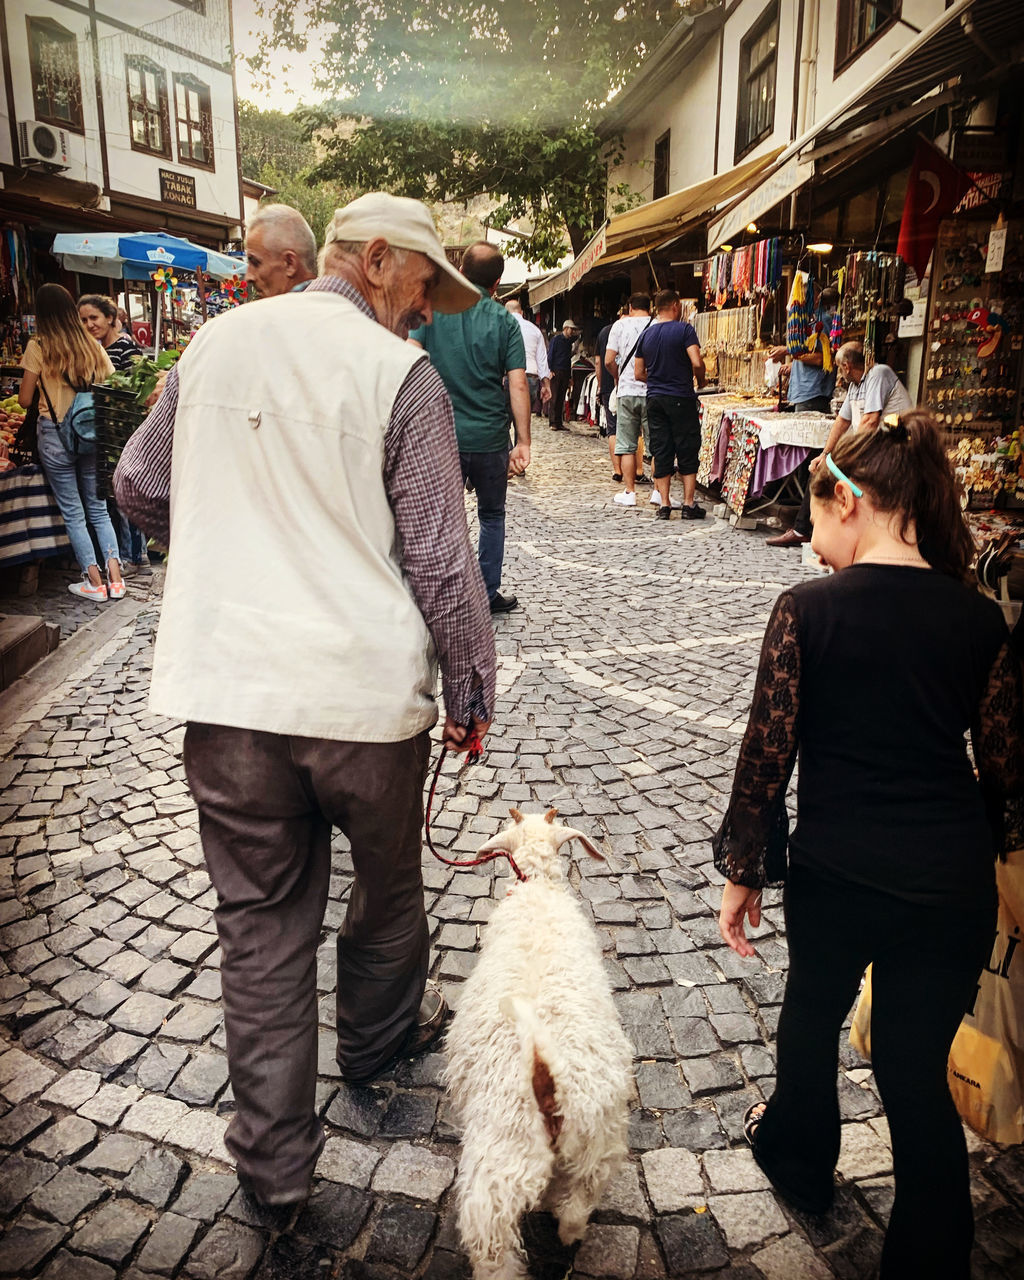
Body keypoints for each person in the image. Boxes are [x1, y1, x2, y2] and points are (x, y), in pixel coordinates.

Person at [114, 192, 496, 1209]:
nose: (425, 315)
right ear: (376, 260)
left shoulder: (214, 346)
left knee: (261, 924)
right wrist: (469, 687)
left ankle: (276, 1172)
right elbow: (439, 558)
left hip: (232, 690)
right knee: (387, 887)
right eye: (421, 291)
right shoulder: (394, 373)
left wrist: (232, 530)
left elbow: (136, 485)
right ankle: (372, 1044)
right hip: (363, 700)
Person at [714, 410, 1023, 1279]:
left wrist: (745, 871)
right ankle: (929, 1259)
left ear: (846, 501)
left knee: (810, 1020)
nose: (812, 543)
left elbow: (764, 756)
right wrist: (997, 867)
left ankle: (802, 1162)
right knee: (915, 1073)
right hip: (947, 883)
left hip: (839, 871)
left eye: (813, 519)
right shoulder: (977, 620)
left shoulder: (807, 612)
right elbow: (1004, 773)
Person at [409, 241, 530, 615]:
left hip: (441, 434)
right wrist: (523, 441)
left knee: (442, 515)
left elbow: (411, 358)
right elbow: (518, 383)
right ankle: (487, 592)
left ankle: (439, 592)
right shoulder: (504, 321)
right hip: (490, 436)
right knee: (491, 515)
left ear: (460, 269)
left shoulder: (433, 314)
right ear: (497, 284)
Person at [19, 284, 124, 602]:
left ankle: (94, 582)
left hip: (54, 434)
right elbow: (112, 385)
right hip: (91, 431)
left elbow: (24, 399)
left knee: (74, 512)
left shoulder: (38, 346)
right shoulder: (92, 346)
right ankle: (116, 580)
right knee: (99, 509)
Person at [768, 340, 912, 547]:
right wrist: (825, 454)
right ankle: (805, 529)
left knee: (837, 473)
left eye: (838, 368)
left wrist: (847, 454)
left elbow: (870, 421)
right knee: (820, 468)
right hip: (875, 445)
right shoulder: (855, 385)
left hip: (894, 446)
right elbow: (842, 421)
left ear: (846, 366)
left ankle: (815, 531)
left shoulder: (879, 374)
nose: (839, 373)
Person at [79, 293, 150, 575]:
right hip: (107, 433)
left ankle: (136, 556)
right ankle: (130, 553)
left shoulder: (124, 348)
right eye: (83, 320)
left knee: (124, 494)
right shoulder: (96, 349)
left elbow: (139, 387)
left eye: (94, 318)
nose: (89, 324)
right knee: (113, 495)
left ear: (110, 318)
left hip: (125, 431)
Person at [634, 288, 707, 520]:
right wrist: (701, 379)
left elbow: (638, 373)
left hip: (655, 399)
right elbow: (696, 361)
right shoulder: (685, 329)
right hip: (681, 397)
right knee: (687, 447)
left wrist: (657, 379)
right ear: (676, 305)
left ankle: (664, 504)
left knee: (661, 448)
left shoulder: (647, 335)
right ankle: (688, 504)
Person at [605, 295, 652, 506]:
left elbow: (608, 360)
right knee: (656, 445)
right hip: (652, 391)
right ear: (649, 307)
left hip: (626, 391)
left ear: (630, 307)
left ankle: (630, 491)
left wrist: (617, 376)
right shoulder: (657, 324)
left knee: (626, 444)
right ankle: (660, 492)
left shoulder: (619, 325)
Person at [244, 203, 318, 299]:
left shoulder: (287, 312)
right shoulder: (333, 306)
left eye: (255, 263)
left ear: (290, 263)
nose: (248, 277)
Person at [505, 300, 551, 415]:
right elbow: (542, 360)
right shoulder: (535, 329)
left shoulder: (502, 326)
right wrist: (546, 385)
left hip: (509, 377)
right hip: (531, 378)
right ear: (522, 313)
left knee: (505, 420)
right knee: (523, 421)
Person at [595, 311, 622, 481]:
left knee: (612, 429)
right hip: (629, 385)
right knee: (632, 431)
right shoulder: (636, 330)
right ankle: (638, 470)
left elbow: (599, 361)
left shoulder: (604, 332)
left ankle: (617, 470)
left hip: (606, 384)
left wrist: (599, 384)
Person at [547, 320, 578, 431]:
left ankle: (559, 422)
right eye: (571, 329)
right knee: (554, 397)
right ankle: (552, 422)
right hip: (556, 370)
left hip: (565, 371)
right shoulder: (556, 340)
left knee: (561, 398)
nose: (572, 331)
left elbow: (568, 360)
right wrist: (550, 369)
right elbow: (550, 355)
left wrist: (569, 377)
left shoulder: (568, 342)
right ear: (566, 328)